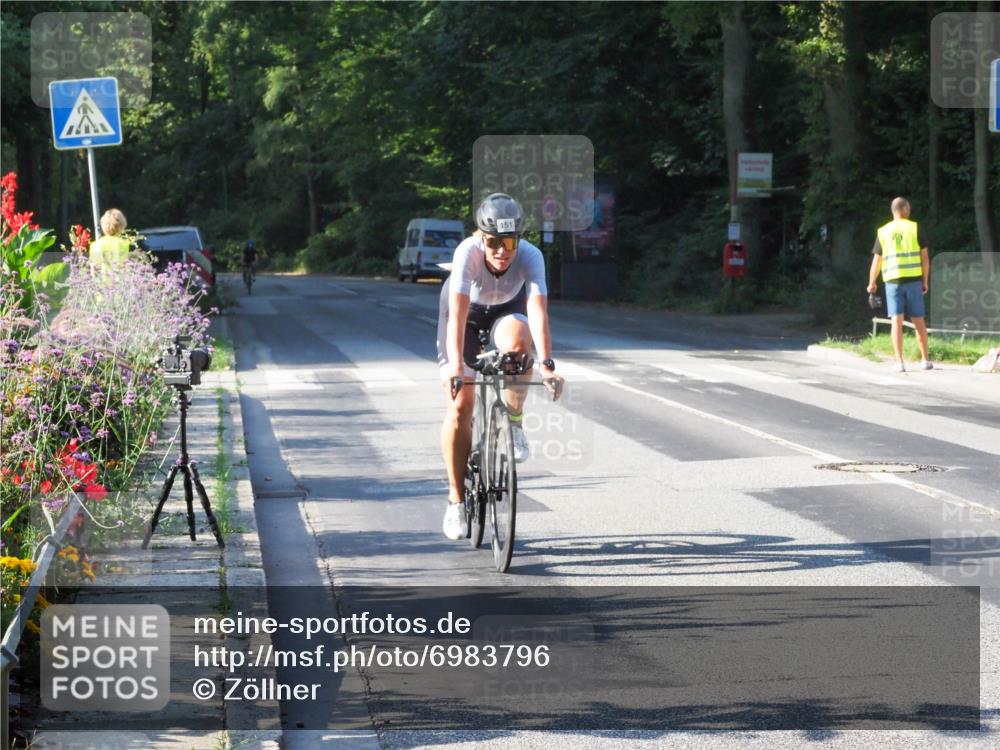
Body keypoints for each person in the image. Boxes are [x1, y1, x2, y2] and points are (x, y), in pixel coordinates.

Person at [437, 193, 564, 540]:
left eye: (509, 241)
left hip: (505, 311)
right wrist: (453, 366)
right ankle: (455, 500)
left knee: (520, 343)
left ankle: (514, 422)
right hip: (465, 316)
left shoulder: (531, 256)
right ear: (481, 237)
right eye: (493, 241)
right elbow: (457, 319)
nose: (501, 250)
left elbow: (538, 313)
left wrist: (548, 365)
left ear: (519, 239)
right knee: (460, 405)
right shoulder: (467, 253)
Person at [867, 197, 932, 373]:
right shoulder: (915, 227)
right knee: (919, 320)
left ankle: (899, 362)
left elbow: (877, 261)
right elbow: (924, 258)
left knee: (896, 320)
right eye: (908, 207)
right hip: (913, 281)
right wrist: (925, 281)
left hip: (892, 282)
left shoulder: (883, 231)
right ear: (905, 209)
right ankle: (925, 360)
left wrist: (872, 282)